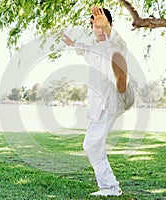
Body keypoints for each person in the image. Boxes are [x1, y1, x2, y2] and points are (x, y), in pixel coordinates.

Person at [61, 6, 135, 197]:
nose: (99, 30)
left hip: (119, 95)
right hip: (101, 104)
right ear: (92, 28)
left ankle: (122, 82)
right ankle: (109, 187)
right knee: (91, 145)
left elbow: (118, 44)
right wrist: (71, 42)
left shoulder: (114, 43)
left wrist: (107, 29)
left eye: (103, 26)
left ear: (110, 25)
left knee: (116, 59)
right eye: (96, 27)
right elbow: (81, 49)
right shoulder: (92, 49)